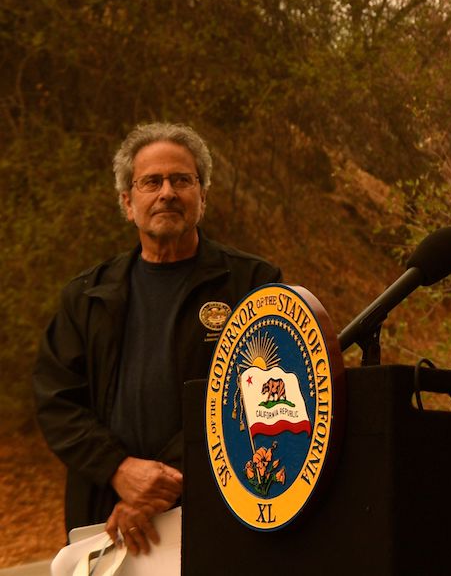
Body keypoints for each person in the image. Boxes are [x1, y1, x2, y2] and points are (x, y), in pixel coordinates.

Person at [34, 122, 280, 554]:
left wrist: (157, 487)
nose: (167, 192)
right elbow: (57, 401)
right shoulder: (87, 295)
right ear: (128, 203)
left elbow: (262, 399)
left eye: (181, 180)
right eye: (151, 182)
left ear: (202, 197)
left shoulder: (252, 284)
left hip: (220, 511)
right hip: (103, 514)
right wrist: (119, 470)